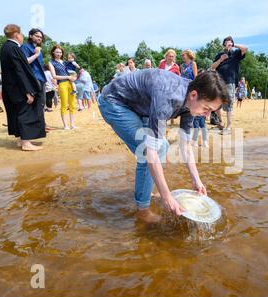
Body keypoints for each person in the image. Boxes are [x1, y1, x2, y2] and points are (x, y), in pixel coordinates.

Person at [98, 69, 230, 223]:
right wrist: (167, 196)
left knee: (163, 146)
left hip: (140, 107)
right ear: (193, 95)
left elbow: (185, 145)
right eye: (207, 109)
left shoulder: (190, 104)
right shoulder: (168, 98)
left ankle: (145, 194)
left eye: (211, 111)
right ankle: (143, 211)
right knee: (152, 149)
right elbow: (151, 153)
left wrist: (197, 181)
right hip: (114, 102)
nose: (207, 116)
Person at [0, 24, 45, 151]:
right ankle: (26, 143)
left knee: (16, 112)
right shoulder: (14, 48)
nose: (22, 37)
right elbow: (20, 71)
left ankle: (20, 140)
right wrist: (28, 90)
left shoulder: (5, 47)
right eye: (21, 34)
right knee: (25, 112)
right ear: (16, 35)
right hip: (18, 87)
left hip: (9, 87)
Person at [211, 36, 248, 134]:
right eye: (227, 42)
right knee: (216, 103)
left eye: (230, 42)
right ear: (223, 44)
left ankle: (229, 126)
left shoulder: (236, 53)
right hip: (218, 82)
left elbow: (245, 49)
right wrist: (220, 60)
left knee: (228, 103)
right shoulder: (219, 54)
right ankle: (221, 123)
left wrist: (233, 45)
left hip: (230, 82)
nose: (228, 43)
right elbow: (212, 67)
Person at [180, 50, 207, 148]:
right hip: (183, 90)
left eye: (183, 55)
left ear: (188, 55)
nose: (182, 56)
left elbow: (195, 78)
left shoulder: (193, 64)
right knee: (186, 112)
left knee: (193, 114)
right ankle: (188, 137)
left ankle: (196, 139)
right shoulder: (182, 66)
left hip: (191, 89)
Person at [49, 45, 78, 130]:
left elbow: (73, 70)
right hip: (62, 84)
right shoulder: (51, 63)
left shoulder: (65, 62)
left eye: (60, 52)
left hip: (71, 83)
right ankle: (65, 125)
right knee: (64, 104)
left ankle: (72, 124)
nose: (59, 54)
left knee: (72, 104)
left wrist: (74, 76)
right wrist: (67, 77)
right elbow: (54, 76)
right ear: (53, 52)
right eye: (57, 52)